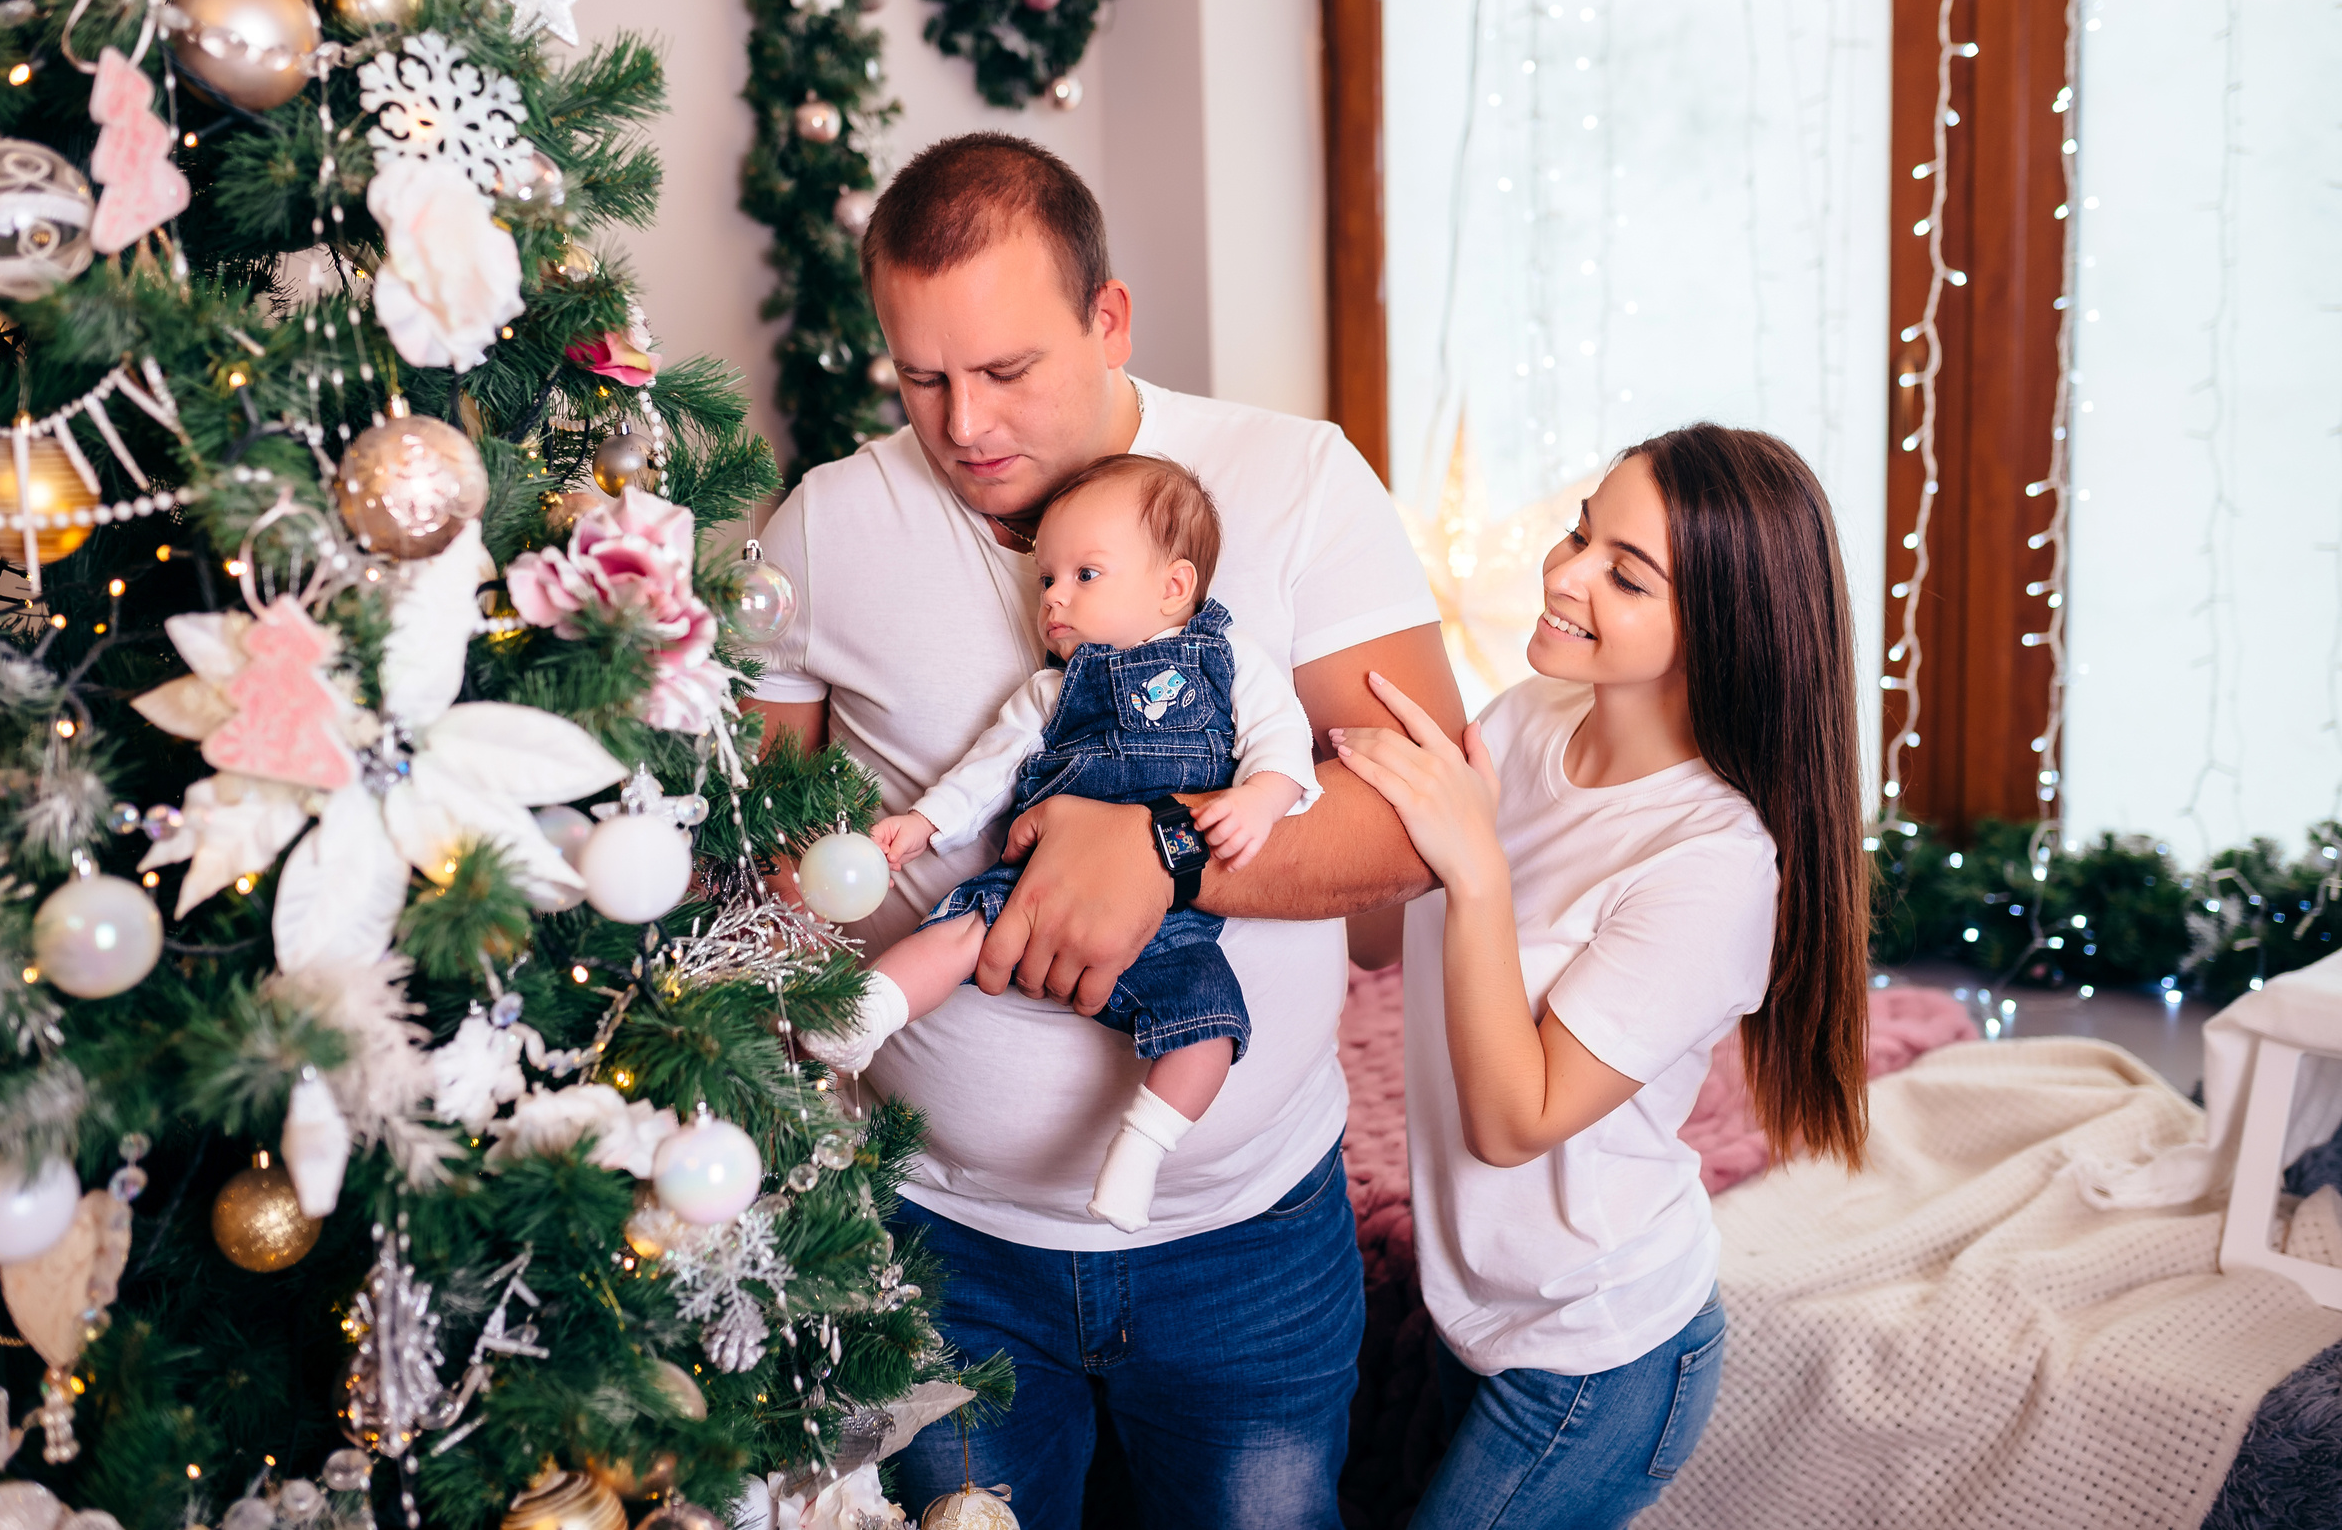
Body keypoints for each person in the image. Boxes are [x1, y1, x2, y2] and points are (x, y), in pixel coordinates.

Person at [745, 131, 1459, 1529]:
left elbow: (1430, 813)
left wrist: (1164, 856)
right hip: (935, 1245)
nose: (964, 426)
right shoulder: (829, 524)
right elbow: (767, 849)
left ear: (1109, 316)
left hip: (1246, 1235)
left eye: (1008, 370)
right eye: (923, 376)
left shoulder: (1294, 479)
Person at [1332, 424, 1871, 1530]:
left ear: (1718, 629)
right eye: (1582, 531)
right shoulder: (1525, 721)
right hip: (1468, 1304)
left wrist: (1474, 866)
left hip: (1600, 1353)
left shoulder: (1712, 867)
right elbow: (1378, 940)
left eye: (1624, 574)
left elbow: (1510, 1117)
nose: (1564, 572)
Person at [810, 454, 1319, 1233]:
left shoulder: (1223, 663)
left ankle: (1140, 1151)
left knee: (1211, 1032)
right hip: (1033, 887)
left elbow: (1281, 739)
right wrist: (925, 822)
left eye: (1086, 573)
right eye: (1046, 578)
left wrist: (1261, 797)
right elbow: (986, 769)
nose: (1054, 597)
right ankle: (865, 1016)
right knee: (951, 933)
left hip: (1173, 929)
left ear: (1173, 587)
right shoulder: (1052, 691)